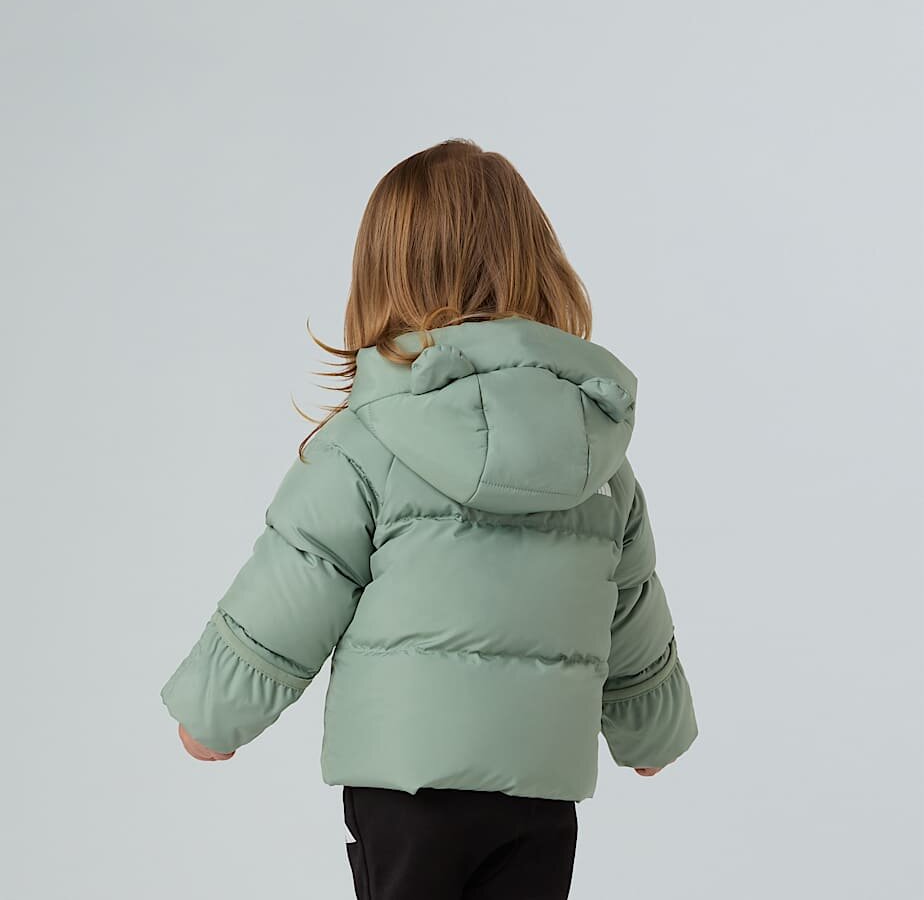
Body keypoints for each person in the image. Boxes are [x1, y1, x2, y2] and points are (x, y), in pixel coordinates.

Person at [160, 138, 699, 899]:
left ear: (382, 275)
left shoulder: (366, 444)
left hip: (405, 788)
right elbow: (631, 602)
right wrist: (652, 729)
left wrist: (211, 717)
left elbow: (297, 582)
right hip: (540, 788)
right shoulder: (594, 455)